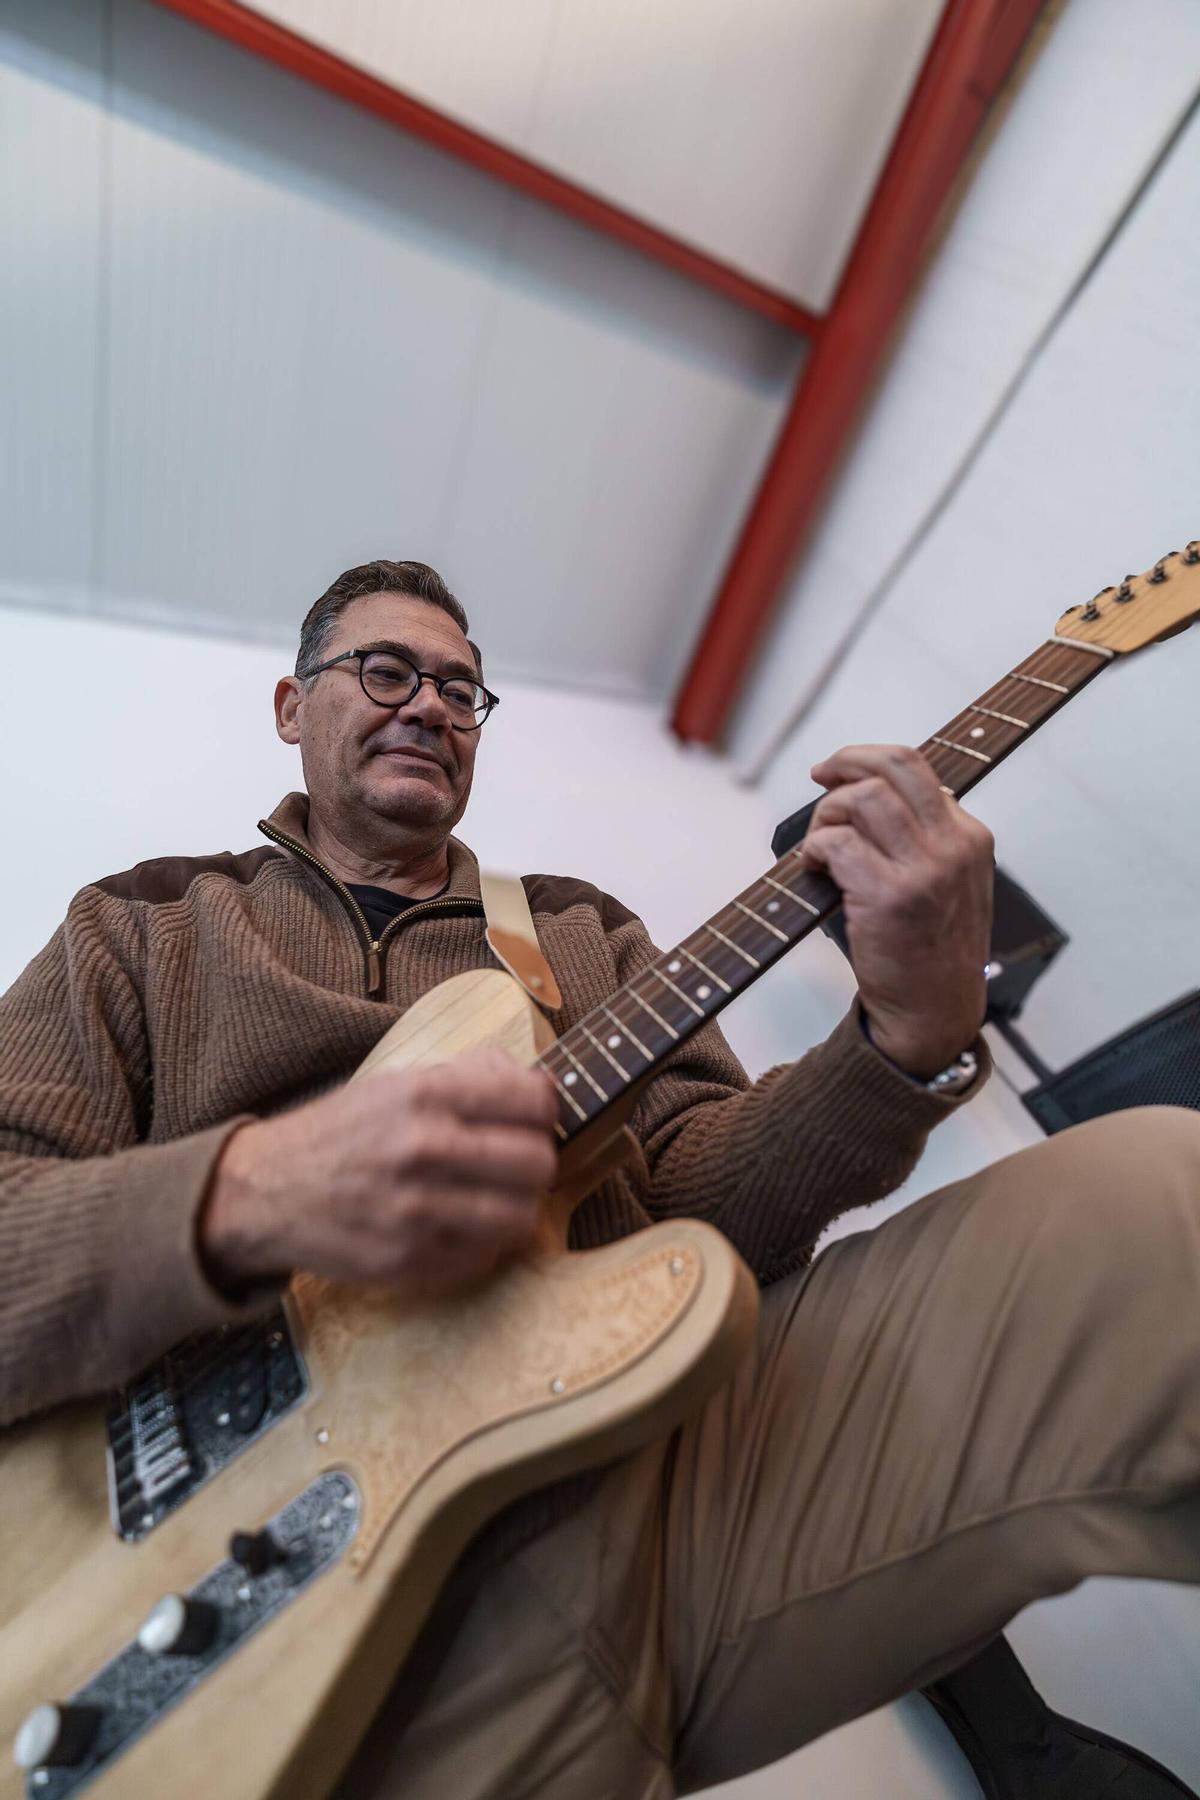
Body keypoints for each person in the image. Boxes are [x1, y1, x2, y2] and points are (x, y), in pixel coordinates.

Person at [2, 559, 1198, 1799]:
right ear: (292, 708)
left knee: (1159, 1207)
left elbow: (712, 1217)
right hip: (211, 1574)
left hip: (631, 1499)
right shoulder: (141, 929)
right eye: (386, 670)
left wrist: (903, 1040)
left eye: (462, 692)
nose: (428, 705)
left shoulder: (577, 932)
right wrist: (246, 1191)